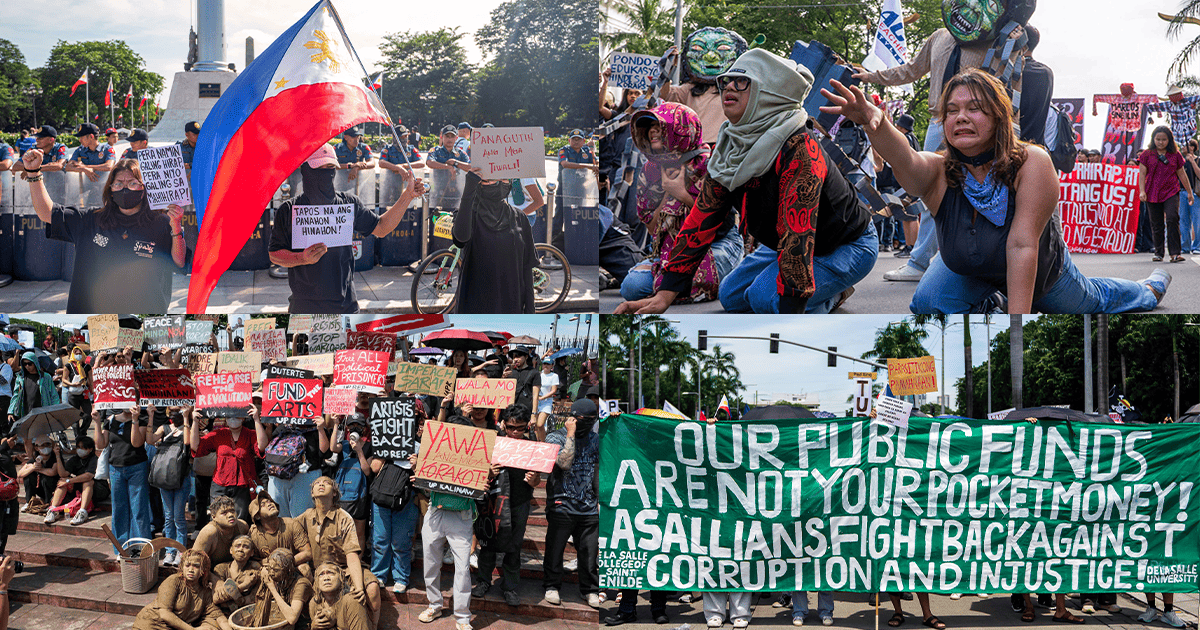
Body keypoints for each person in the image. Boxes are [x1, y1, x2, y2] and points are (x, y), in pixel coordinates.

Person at [821, 69, 1174, 313]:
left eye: (974, 109)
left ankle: (1147, 288)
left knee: (1093, 300)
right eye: (952, 111)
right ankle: (992, 302)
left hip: (1042, 275)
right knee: (930, 304)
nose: (961, 117)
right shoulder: (939, 171)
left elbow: (1021, 247)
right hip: (971, 270)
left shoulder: (1032, 162)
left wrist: (1015, 330)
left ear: (999, 117)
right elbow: (906, 158)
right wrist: (873, 123)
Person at [617, 48, 877, 315]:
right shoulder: (730, 146)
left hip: (843, 244)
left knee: (765, 299)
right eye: (726, 80)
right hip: (780, 243)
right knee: (731, 296)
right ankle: (814, 290)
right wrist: (664, 295)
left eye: (741, 81)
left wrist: (791, 323)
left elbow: (797, 238)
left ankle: (831, 295)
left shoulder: (800, 148)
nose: (728, 85)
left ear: (769, 92)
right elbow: (702, 217)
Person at [21, 152, 187, 312]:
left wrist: (176, 228)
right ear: (111, 190)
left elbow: (179, 262)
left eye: (132, 183)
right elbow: (47, 213)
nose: (125, 188)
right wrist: (33, 173)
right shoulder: (90, 219)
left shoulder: (163, 223)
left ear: (144, 189)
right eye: (118, 184)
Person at [269, 143, 425, 313]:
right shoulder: (288, 210)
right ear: (306, 171)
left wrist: (407, 196)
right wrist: (302, 258)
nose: (326, 173)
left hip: (346, 306)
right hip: (304, 308)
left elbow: (381, 228)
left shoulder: (349, 204)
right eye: (319, 168)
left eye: (330, 167)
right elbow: (275, 254)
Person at [619, 102, 743, 304]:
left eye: (660, 126)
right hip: (671, 249)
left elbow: (720, 223)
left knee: (680, 280)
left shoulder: (710, 164)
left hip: (717, 243)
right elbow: (652, 228)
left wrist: (682, 194)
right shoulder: (650, 171)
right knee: (631, 287)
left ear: (681, 130)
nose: (653, 132)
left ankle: (732, 272)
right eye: (649, 127)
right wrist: (668, 195)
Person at [474, 404, 540, 607]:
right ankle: (483, 581)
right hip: (494, 501)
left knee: (514, 546)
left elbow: (537, 480)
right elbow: (478, 471)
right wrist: (489, 472)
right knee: (488, 543)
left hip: (519, 502)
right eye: (511, 427)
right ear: (503, 424)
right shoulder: (493, 442)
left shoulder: (532, 445)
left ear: (527, 426)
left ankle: (510, 587)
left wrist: (534, 480)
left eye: (520, 428)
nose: (515, 433)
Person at [297, 476, 382, 628]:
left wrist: (358, 586)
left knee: (372, 589)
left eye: (327, 483)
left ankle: (373, 624)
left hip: (346, 569)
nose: (321, 484)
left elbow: (352, 555)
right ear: (312, 493)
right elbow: (287, 528)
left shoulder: (343, 517)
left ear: (334, 493)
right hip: (320, 571)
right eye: (317, 483)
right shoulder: (306, 516)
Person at [418, 414, 476, 630]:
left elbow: (479, 486)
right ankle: (434, 604)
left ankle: (462, 616)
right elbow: (425, 487)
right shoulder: (434, 453)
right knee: (430, 561)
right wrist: (420, 474)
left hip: (461, 516)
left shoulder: (476, 455)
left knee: (462, 567)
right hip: (436, 512)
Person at [451, 170, 538, 313]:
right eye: (489, 180)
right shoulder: (468, 214)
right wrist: (468, 192)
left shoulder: (520, 217)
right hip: (475, 307)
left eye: (504, 179)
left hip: (511, 306)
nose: (497, 183)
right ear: (479, 184)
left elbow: (527, 268)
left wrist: (530, 310)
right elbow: (460, 239)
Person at [543, 398, 600, 609]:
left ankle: (590, 590)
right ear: (573, 419)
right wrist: (570, 434)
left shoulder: (596, 439)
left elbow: (598, 471)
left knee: (588, 553)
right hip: (561, 503)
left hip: (588, 507)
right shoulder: (555, 437)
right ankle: (551, 585)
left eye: (591, 420)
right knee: (555, 550)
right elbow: (564, 463)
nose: (587, 424)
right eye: (583, 420)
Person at [660, 27, 750, 145]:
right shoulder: (689, 89)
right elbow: (663, 93)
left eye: (723, 48)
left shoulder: (744, 88)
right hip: (697, 147)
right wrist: (667, 68)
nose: (710, 56)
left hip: (728, 144)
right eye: (697, 48)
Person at [93, 403, 156, 551]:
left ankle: (141, 547)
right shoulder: (110, 420)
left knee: (139, 509)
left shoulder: (142, 419)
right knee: (119, 508)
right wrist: (96, 421)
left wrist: (134, 419)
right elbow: (101, 443)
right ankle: (121, 548)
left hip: (137, 467)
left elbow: (137, 443)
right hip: (116, 469)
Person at [254, 410, 330, 519]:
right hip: (279, 479)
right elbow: (264, 448)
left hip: (304, 479)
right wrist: (262, 422)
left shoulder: (315, 427)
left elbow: (324, 453)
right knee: (279, 518)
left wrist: (321, 429)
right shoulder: (282, 428)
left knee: (302, 519)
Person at [189, 405, 259, 521]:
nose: (233, 419)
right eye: (230, 416)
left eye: (237, 416)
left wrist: (256, 419)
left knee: (239, 521)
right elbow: (195, 447)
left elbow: (262, 446)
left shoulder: (250, 434)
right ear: (225, 418)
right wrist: (195, 422)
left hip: (242, 486)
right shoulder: (218, 434)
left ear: (243, 418)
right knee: (217, 520)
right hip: (220, 485)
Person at [131, 549, 230, 630]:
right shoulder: (174, 581)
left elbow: (218, 616)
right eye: (187, 565)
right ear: (182, 567)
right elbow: (165, 613)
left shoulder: (205, 591)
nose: (191, 569)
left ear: (203, 571)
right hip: (150, 624)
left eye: (196, 566)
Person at [1138, 126, 1193, 263]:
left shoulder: (1175, 155)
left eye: (1164, 139)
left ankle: (1175, 253)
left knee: (1172, 218)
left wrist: (1190, 192)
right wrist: (1142, 191)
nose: (1161, 142)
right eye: (1158, 139)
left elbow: (1182, 174)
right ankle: (1159, 252)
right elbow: (1142, 174)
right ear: (1153, 139)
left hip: (1171, 192)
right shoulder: (1146, 154)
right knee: (1156, 224)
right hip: (1152, 192)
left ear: (1169, 140)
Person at [153, 408, 191, 563]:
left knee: (178, 517)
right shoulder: (163, 428)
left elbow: (187, 443)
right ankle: (169, 551)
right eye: (173, 410)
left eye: (179, 410)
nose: (176, 413)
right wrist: (150, 417)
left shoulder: (187, 426)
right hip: (165, 477)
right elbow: (150, 439)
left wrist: (187, 419)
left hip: (181, 477)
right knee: (169, 517)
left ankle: (181, 551)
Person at [45, 435, 108, 526]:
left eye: (83, 447)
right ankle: (53, 510)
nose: (79, 450)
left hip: (98, 489)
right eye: (78, 447)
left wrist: (69, 481)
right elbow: (63, 474)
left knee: (87, 482)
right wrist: (58, 456)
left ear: (90, 449)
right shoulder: (75, 459)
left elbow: (88, 476)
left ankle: (82, 512)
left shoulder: (94, 459)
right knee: (63, 482)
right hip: (81, 489)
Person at [247, 493, 312, 570]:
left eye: (269, 502)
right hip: (268, 571)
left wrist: (284, 563)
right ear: (257, 515)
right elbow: (249, 561)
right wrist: (270, 565)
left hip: (291, 570)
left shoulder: (291, 524)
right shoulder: (253, 534)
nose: (270, 504)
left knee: (304, 568)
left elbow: (307, 553)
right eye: (263, 505)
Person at [250, 549, 311, 628]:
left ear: (288, 570)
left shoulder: (301, 584)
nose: (271, 573)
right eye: (270, 568)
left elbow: (292, 619)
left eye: (276, 570)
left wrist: (272, 588)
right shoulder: (279, 578)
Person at [310, 562, 373, 630]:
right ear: (316, 581)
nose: (326, 578)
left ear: (341, 578)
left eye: (331, 573)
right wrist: (313, 627)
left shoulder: (352, 600)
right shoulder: (315, 603)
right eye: (321, 574)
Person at [8, 351, 59, 430]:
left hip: (42, 412)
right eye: (25, 364)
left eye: (29, 363)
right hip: (25, 412)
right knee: (26, 439)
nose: (27, 366)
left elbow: (53, 395)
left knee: (42, 439)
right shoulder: (21, 377)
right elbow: (15, 395)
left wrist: (55, 411)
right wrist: (10, 412)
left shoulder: (45, 377)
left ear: (35, 362)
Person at [194, 496, 251, 566]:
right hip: (211, 571)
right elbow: (195, 561)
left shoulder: (242, 526)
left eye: (232, 511)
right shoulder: (209, 532)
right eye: (224, 513)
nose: (230, 515)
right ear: (214, 517)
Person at [212, 535, 261, 612]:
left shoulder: (254, 568)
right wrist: (244, 585)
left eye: (245, 547)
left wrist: (235, 600)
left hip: (247, 611)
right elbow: (216, 599)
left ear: (252, 553)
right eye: (237, 546)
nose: (241, 549)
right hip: (223, 612)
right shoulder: (220, 569)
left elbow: (253, 598)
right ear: (231, 550)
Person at [426, 125, 470, 210]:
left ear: (456, 138)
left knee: (455, 221)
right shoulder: (435, 151)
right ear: (442, 137)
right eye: (447, 136)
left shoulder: (460, 153)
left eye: (452, 136)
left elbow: (470, 167)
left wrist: (455, 163)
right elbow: (429, 162)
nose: (449, 139)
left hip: (456, 194)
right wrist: (447, 167)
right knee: (436, 221)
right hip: (439, 193)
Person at [1180, 138, 1200, 254]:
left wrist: (1192, 162)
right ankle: (1185, 246)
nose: (1182, 148)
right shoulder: (1181, 161)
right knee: (1183, 220)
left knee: (1197, 220)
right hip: (1182, 192)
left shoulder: (1197, 160)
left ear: (1192, 147)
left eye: (1185, 145)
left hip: (1196, 193)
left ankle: (1197, 246)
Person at [534, 357, 558, 441]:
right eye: (544, 364)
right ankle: (537, 442)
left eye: (548, 364)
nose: (546, 366)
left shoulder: (554, 376)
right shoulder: (539, 374)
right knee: (535, 425)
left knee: (540, 424)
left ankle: (543, 442)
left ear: (552, 365)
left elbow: (554, 390)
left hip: (546, 402)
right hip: (537, 401)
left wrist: (543, 397)